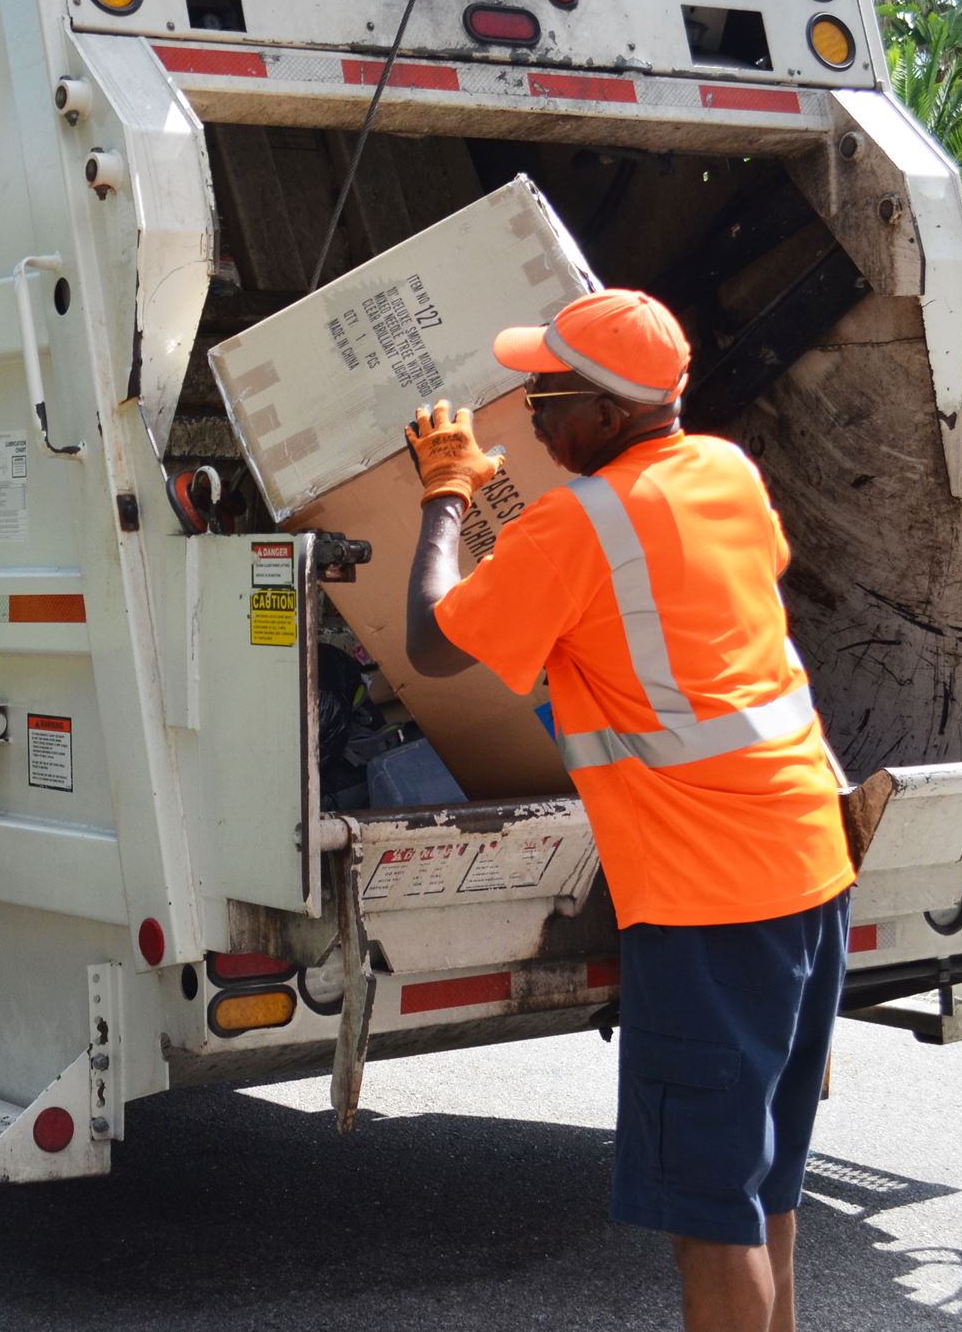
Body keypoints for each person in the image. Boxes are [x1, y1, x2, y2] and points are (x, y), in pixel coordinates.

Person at [401, 289, 853, 1332]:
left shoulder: (579, 522)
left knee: (709, 1216)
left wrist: (447, 493)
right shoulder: (725, 472)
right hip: (806, 866)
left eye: (545, 398)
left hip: (707, 902)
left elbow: (431, 641)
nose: (529, 418)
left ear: (606, 414)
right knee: (764, 1183)